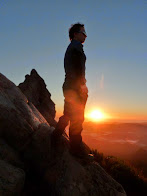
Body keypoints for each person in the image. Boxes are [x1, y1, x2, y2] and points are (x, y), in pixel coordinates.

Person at [52, 23, 89, 157]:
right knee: (77, 117)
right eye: (83, 31)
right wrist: (82, 85)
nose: (85, 34)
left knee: (68, 114)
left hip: (69, 85)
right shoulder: (76, 47)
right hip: (75, 86)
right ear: (75, 33)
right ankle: (75, 149)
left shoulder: (71, 47)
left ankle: (55, 136)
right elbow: (78, 69)